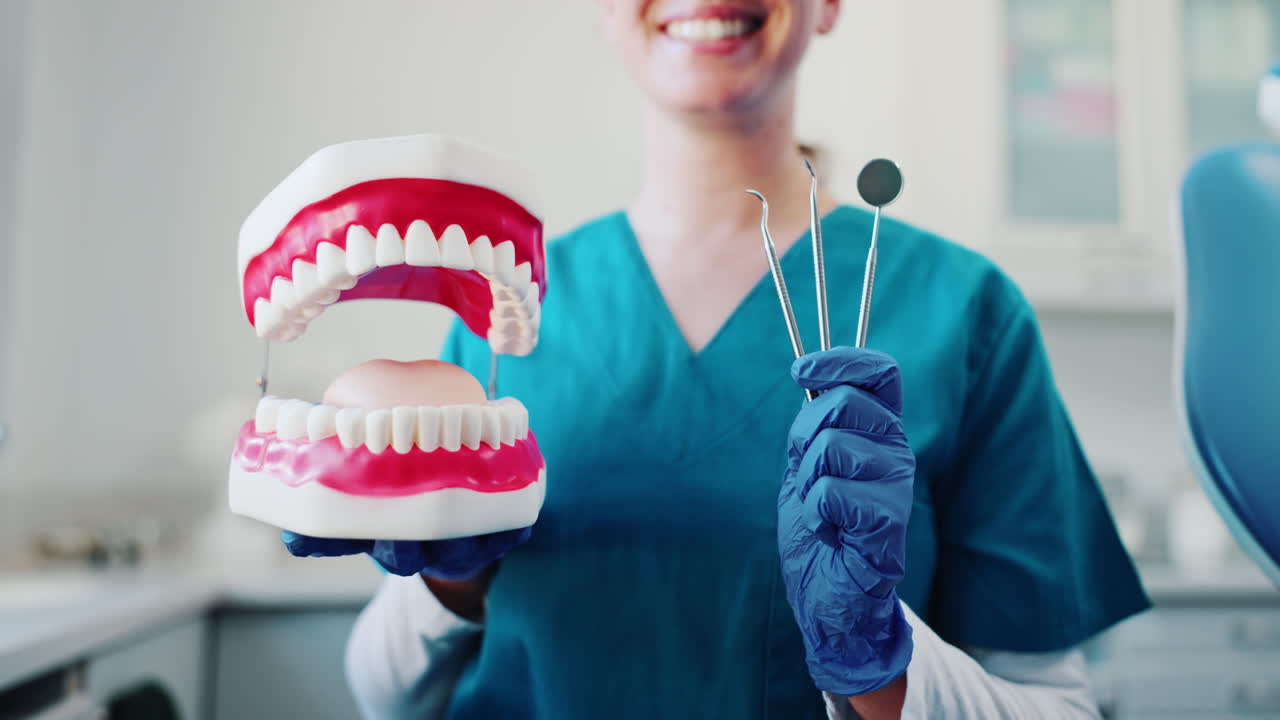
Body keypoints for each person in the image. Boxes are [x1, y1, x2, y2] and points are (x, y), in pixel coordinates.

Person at [287, 1, 1150, 717]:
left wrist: (883, 666)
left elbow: (1060, 707)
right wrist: (451, 579)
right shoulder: (505, 310)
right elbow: (386, 693)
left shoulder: (964, 312)